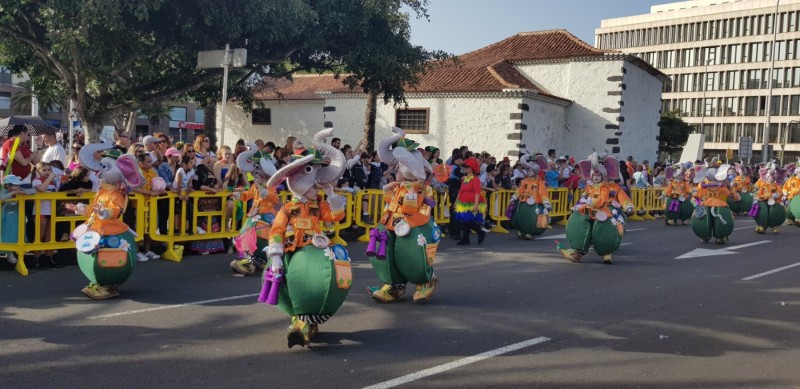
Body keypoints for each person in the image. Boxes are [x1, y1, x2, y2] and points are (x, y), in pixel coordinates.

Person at [263, 129, 349, 348]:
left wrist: (331, 196)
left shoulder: (319, 204)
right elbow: (277, 230)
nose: (317, 188)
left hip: (314, 248)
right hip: (292, 251)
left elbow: (337, 216)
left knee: (317, 281)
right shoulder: (288, 208)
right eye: (314, 185)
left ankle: (305, 323)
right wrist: (275, 255)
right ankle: (300, 321)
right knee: (289, 283)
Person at [366, 128, 440, 304]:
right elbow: (390, 203)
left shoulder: (421, 187)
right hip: (392, 222)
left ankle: (425, 281)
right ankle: (393, 286)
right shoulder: (397, 186)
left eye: (399, 167)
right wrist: (388, 191)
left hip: (412, 224)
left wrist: (415, 194)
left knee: (413, 253)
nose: (396, 171)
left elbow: (423, 206)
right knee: (385, 251)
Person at [67, 145, 144, 300]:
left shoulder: (117, 193)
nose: (100, 172)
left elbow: (116, 209)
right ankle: (99, 282)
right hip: (95, 228)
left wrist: (105, 212)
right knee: (93, 258)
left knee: (108, 258)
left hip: (110, 231)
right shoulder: (102, 191)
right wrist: (80, 209)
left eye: (105, 167)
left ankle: (108, 284)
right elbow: (94, 210)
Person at [560, 152, 634, 264]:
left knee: (606, 228)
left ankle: (607, 252)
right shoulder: (590, 187)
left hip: (606, 210)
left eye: (598, 175)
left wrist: (628, 206)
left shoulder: (613, 187)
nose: (595, 177)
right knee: (582, 224)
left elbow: (622, 197)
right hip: (589, 209)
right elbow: (583, 197)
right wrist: (579, 204)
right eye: (594, 175)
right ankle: (578, 251)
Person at [229, 146, 281, 275]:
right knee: (246, 236)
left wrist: (267, 194)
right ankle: (251, 260)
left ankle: (254, 261)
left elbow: (275, 199)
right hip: (254, 216)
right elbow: (248, 195)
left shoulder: (271, 186)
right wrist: (239, 195)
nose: (253, 173)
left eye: (257, 169)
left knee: (256, 238)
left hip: (265, 219)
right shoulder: (255, 186)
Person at [691, 163, 738, 243]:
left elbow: (695, 198)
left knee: (704, 219)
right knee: (721, 219)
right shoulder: (722, 187)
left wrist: (697, 206)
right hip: (719, 204)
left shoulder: (704, 187)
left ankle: (704, 236)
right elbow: (730, 196)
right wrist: (735, 196)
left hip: (706, 204)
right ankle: (720, 237)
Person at [510, 153, 551, 240]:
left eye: (530, 171)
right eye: (528, 171)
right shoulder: (525, 181)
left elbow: (543, 192)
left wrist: (546, 202)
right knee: (521, 217)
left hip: (534, 204)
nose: (529, 172)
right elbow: (520, 190)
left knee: (532, 219)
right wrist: (514, 197)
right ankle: (522, 231)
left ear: (535, 172)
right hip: (524, 203)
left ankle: (530, 232)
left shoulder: (540, 182)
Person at [0, 175, 35, 265]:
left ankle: (13, 253)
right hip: (5, 218)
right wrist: (10, 194)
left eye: (18, 185)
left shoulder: (19, 190)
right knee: (5, 235)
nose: (18, 187)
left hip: (17, 217)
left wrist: (24, 192)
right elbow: (1, 197)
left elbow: (34, 191)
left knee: (16, 234)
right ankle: (9, 253)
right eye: (15, 185)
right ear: (7, 185)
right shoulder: (3, 191)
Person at [454, 157, 487, 245]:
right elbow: (461, 191)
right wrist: (456, 201)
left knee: (468, 221)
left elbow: (477, 192)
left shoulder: (475, 179)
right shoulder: (465, 179)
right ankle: (466, 239)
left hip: (472, 203)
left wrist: (476, 204)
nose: (466, 169)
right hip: (463, 203)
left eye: (468, 167)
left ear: (472, 168)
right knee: (465, 222)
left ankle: (479, 232)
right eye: (465, 167)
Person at [751, 162, 786, 234]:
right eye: (770, 176)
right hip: (763, 200)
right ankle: (761, 226)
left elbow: (780, 191)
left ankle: (774, 226)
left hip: (773, 201)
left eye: (773, 177)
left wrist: (777, 194)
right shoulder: (763, 184)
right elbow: (758, 191)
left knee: (773, 213)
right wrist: (756, 197)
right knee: (762, 212)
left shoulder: (776, 185)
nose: (771, 178)